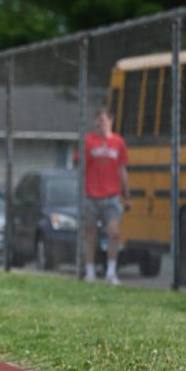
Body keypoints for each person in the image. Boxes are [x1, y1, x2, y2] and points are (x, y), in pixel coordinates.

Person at [83, 106, 130, 286]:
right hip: (91, 195)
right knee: (91, 234)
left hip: (112, 196)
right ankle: (90, 272)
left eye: (101, 120)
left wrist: (128, 194)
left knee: (114, 233)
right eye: (97, 120)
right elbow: (80, 166)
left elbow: (122, 169)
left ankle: (111, 272)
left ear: (110, 120)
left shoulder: (119, 142)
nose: (98, 124)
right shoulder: (89, 141)